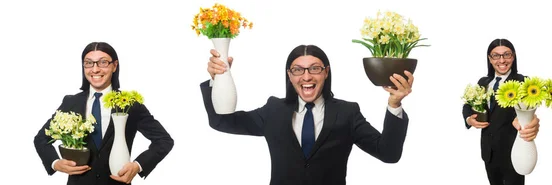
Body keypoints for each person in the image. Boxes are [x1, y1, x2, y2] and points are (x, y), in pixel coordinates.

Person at [200, 45, 412, 185]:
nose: (306, 76)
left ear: (326, 72)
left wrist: (395, 104)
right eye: (298, 70)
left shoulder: (347, 113)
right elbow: (220, 121)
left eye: (315, 69)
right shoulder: (274, 110)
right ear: (289, 75)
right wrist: (217, 81)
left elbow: (388, 154)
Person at [34, 42, 174, 185]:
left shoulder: (129, 104)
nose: (95, 69)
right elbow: (41, 139)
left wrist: (137, 166)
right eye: (89, 63)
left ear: (114, 66)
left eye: (103, 62)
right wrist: (55, 163)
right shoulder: (71, 102)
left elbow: (164, 140)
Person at [462, 38, 541, 185]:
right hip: (488, 152)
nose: (502, 60)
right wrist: (469, 119)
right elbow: (468, 105)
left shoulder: (524, 82)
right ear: (490, 59)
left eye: (507, 54)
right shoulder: (483, 82)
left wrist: (532, 121)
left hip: (514, 151)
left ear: (514, 56)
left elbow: (531, 110)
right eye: (496, 55)